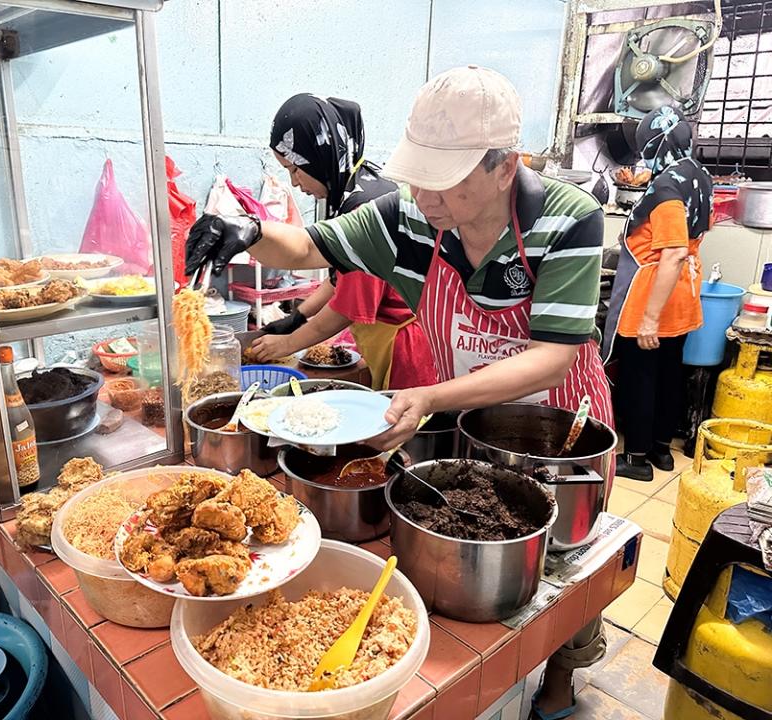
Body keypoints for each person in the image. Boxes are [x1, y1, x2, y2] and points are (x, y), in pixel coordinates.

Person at [187, 66, 613, 719]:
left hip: (556, 430)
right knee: (473, 561)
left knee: (561, 564)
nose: (423, 194)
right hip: (466, 417)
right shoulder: (412, 217)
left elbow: (553, 358)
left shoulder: (568, 220)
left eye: (444, 179)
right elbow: (313, 244)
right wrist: (245, 232)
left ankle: (561, 677)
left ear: (505, 166)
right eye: (418, 173)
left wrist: (433, 397)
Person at [250, 94, 436, 390]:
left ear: (320, 156)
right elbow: (342, 278)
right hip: (390, 340)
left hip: (405, 353)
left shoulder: (364, 203)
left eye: (295, 169)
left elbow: (347, 308)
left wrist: (287, 343)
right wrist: (298, 316)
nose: (296, 183)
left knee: (401, 431)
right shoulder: (362, 184)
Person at [603, 106, 713, 481]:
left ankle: (635, 459)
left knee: (640, 376)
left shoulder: (667, 187)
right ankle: (661, 451)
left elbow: (673, 251)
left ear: (655, 142)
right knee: (669, 373)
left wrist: (649, 317)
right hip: (683, 294)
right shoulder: (698, 174)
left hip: (655, 294)